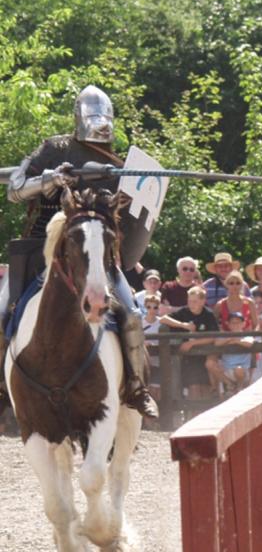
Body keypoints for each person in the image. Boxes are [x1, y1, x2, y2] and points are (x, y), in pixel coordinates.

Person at [0, 85, 157, 418]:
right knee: (1, 313)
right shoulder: (54, 148)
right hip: (39, 248)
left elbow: (124, 222)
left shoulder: (118, 165)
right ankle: (2, 389)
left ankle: (136, 387)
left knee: (131, 314)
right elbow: (15, 188)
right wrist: (51, 179)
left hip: (94, 254)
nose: (100, 126)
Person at [160, 286, 222, 401]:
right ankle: (192, 417)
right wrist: (183, 325)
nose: (191, 304)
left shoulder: (208, 314)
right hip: (189, 359)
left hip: (205, 356)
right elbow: (163, 319)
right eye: (189, 300)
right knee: (193, 389)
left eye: (195, 301)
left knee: (205, 390)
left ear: (203, 301)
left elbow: (213, 337)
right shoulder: (184, 312)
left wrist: (192, 344)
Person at [215, 311, 254, 392]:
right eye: (233, 323)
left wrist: (236, 341)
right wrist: (230, 338)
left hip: (243, 371)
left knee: (238, 369)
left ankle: (239, 388)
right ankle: (230, 385)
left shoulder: (247, 335)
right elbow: (217, 343)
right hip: (226, 370)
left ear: (243, 323)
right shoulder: (225, 336)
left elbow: (249, 343)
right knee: (211, 365)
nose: (236, 325)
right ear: (228, 324)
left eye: (238, 322)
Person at [142, 294, 162, 406]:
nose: (152, 310)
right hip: (144, 363)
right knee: (147, 392)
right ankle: (149, 423)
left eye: (155, 307)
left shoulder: (161, 323)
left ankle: (158, 422)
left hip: (158, 362)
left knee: (158, 393)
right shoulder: (140, 322)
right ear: (145, 307)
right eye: (149, 307)